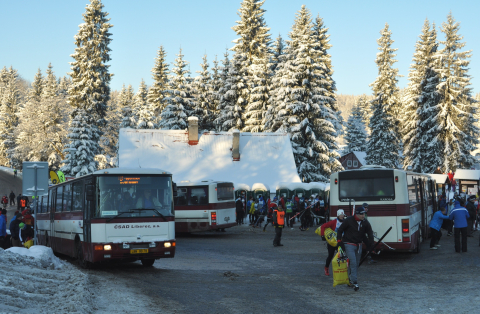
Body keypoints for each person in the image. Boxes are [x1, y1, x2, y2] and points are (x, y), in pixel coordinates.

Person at [337, 206, 375, 291]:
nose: (363, 216)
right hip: (349, 244)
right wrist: (339, 241)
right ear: (357, 214)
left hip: (358, 245)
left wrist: (371, 245)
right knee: (353, 262)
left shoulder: (365, 222)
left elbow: (370, 233)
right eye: (361, 214)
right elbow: (340, 230)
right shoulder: (349, 220)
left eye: (364, 214)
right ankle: (354, 282)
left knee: (356, 263)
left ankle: (350, 279)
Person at [320, 209, 345, 276]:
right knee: (330, 255)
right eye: (340, 215)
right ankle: (326, 268)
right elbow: (323, 226)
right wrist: (322, 235)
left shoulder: (345, 222)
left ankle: (340, 270)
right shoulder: (334, 222)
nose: (342, 216)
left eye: (343, 215)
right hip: (332, 242)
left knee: (341, 256)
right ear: (338, 215)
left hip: (340, 242)